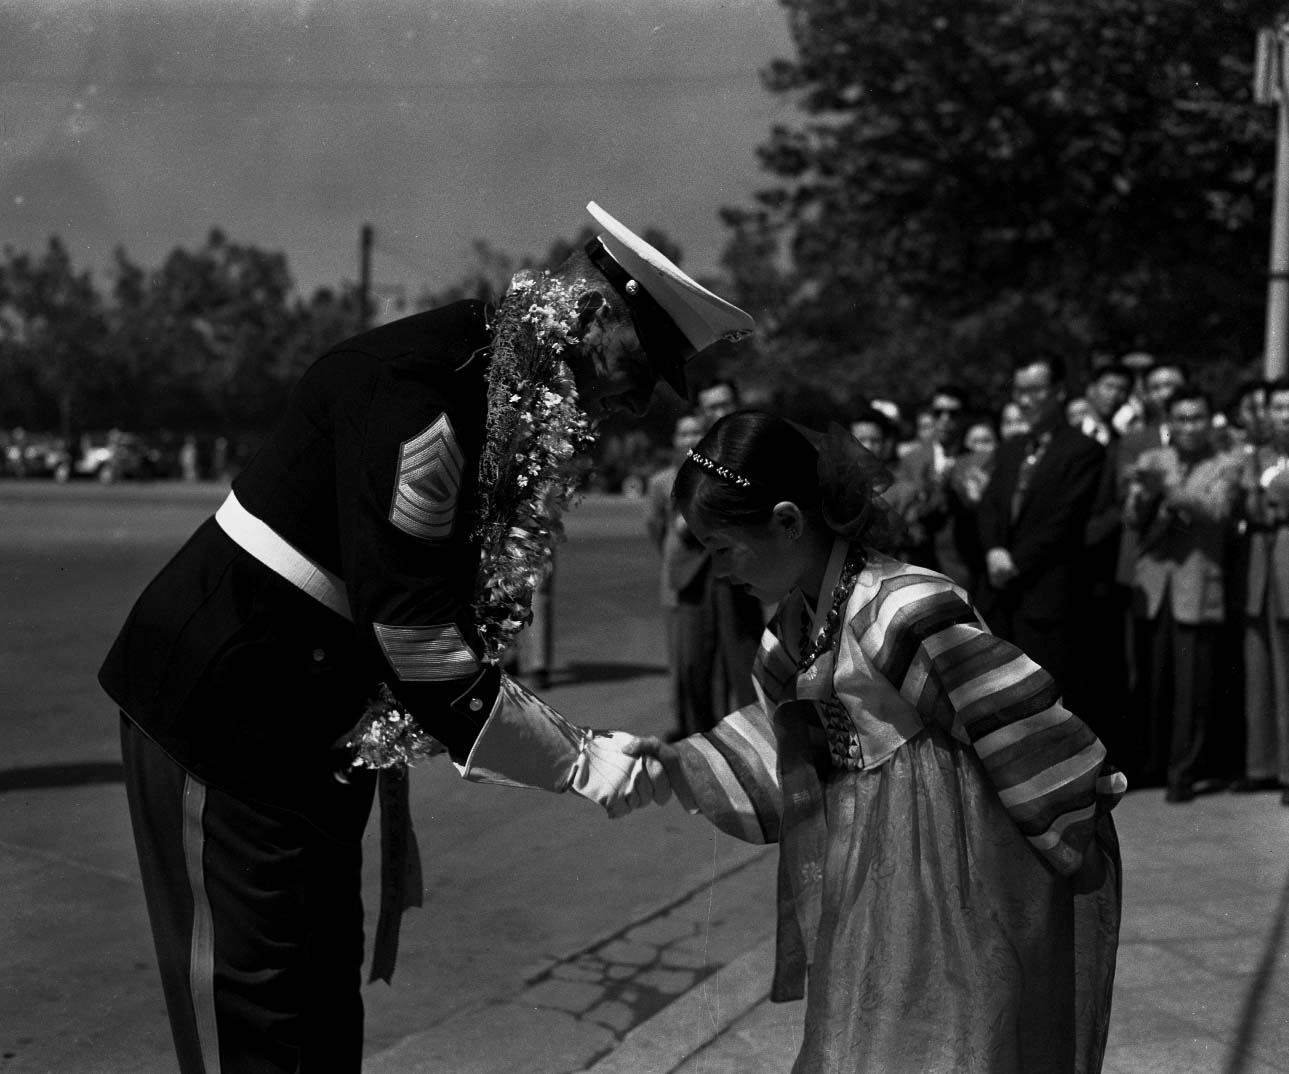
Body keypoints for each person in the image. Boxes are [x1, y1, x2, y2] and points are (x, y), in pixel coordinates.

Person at [97, 200, 754, 1074]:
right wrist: (579, 759)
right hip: (228, 717)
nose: (634, 402)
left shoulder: (489, 390)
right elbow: (416, 640)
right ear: (585, 315)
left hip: (311, 723)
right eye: (637, 366)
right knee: (258, 1018)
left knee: (321, 1004)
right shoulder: (421, 401)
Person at [626, 411, 1124, 1074]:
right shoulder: (793, 627)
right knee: (871, 1035)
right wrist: (677, 766)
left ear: (785, 520)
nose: (716, 570)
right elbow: (781, 744)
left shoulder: (905, 608)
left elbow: (1020, 721)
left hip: (957, 861)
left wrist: (1082, 807)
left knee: (944, 1033)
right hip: (866, 857)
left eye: (722, 547)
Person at [1125, 386, 1242, 801]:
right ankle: (1151, 763)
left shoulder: (1227, 464)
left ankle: (1184, 772)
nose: (1190, 426)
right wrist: (1144, 493)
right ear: (1169, 424)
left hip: (1197, 586)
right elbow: (1134, 518)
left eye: (1198, 418)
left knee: (1193, 688)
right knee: (1153, 682)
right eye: (1182, 419)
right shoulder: (1153, 459)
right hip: (1156, 585)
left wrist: (1169, 490)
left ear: (1210, 422)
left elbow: (1218, 513)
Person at [977, 354, 1105, 695]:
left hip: (1046, 597)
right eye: (1018, 390)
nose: (1024, 400)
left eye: (1034, 390)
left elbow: (1064, 520)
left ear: (1059, 391)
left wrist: (1015, 561)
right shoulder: (1010, 449)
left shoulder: (1083, 450)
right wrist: (993, 550)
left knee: (1042, 705)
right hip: (1000, 596)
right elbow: (989, 506)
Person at [645, 411, 726, 738]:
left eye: (697, 433)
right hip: (679, 579)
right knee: (684, 660)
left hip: (717, 577)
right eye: (684, 434)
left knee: (718, 660)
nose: (690, 440)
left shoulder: (718, 476)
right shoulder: (661, 482)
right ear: (674, 441)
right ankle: (688, 727)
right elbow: (655, 527)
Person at [1236, 375, 1289, 803]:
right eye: (1277, 408)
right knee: (1259, 665)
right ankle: (1262, 764)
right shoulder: (1254, 456)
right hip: (1260, 561)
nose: (1284, 417)